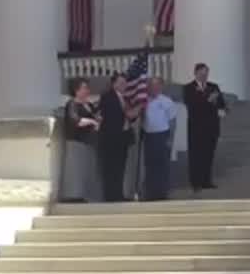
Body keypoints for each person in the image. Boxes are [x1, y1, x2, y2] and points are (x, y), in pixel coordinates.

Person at [182, 62, 227, 193]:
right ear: (195, 73)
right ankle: (195, 182)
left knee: (208, 155)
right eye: (201, 74)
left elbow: (221, 103)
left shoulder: (214, 87)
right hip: (196, 128)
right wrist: (208, 100)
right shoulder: (188, 88)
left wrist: (223, 109)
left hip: (212, 127)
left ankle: (206, 180)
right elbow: (192, 105)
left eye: (206, 73)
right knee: (196, 156)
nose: (204, 76)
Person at [61, 79, 101, 203]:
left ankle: (86, 196)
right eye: (84, 88)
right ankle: (73, 196)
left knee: (87, 170)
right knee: (76, 169)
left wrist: (97, 118)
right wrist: (91, 122)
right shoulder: (72, 104)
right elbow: (75, 121)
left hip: (89, 142)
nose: (87, 90)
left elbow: (97, 115)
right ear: (76, 90)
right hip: (76, 141)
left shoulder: (88, 104)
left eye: (87, 88)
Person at [96, 73, 135, 203]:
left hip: (123, 139)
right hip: (111, 139)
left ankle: (118, 194)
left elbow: (130, 117)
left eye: (125, 83)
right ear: (114, 84)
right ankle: (110, 196)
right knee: (111, 168)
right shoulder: (107, 97)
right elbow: (109, 117)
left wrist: (136, 111)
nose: (124, 85)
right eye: (121, 82)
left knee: (120, 167)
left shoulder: (125, 99)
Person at [140, 78, 178, 201]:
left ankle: (162, 193)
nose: (154, 89)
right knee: (150, 165)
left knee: (163, 166)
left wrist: (170, 138)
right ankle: (150, 193)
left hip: (163, 136)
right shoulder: (143, 101)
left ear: (161, 87)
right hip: (148, 136)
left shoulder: (167, 101)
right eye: (151, 86)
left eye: (156, 86)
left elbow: (172, 121)